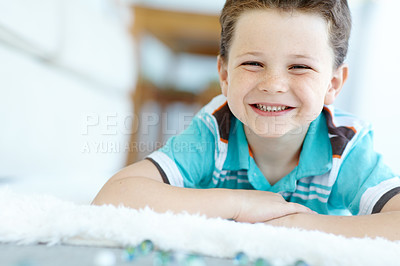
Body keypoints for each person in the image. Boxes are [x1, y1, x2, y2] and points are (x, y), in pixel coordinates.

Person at [92, 0, 400, 240]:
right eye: (253, 63)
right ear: (225, 75)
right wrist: (241, 204)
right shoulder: (214, 133)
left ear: (332, 84)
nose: (273, 84)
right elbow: (113, 197)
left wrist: (302, 225)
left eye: (299, 67)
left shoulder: (345, 148)